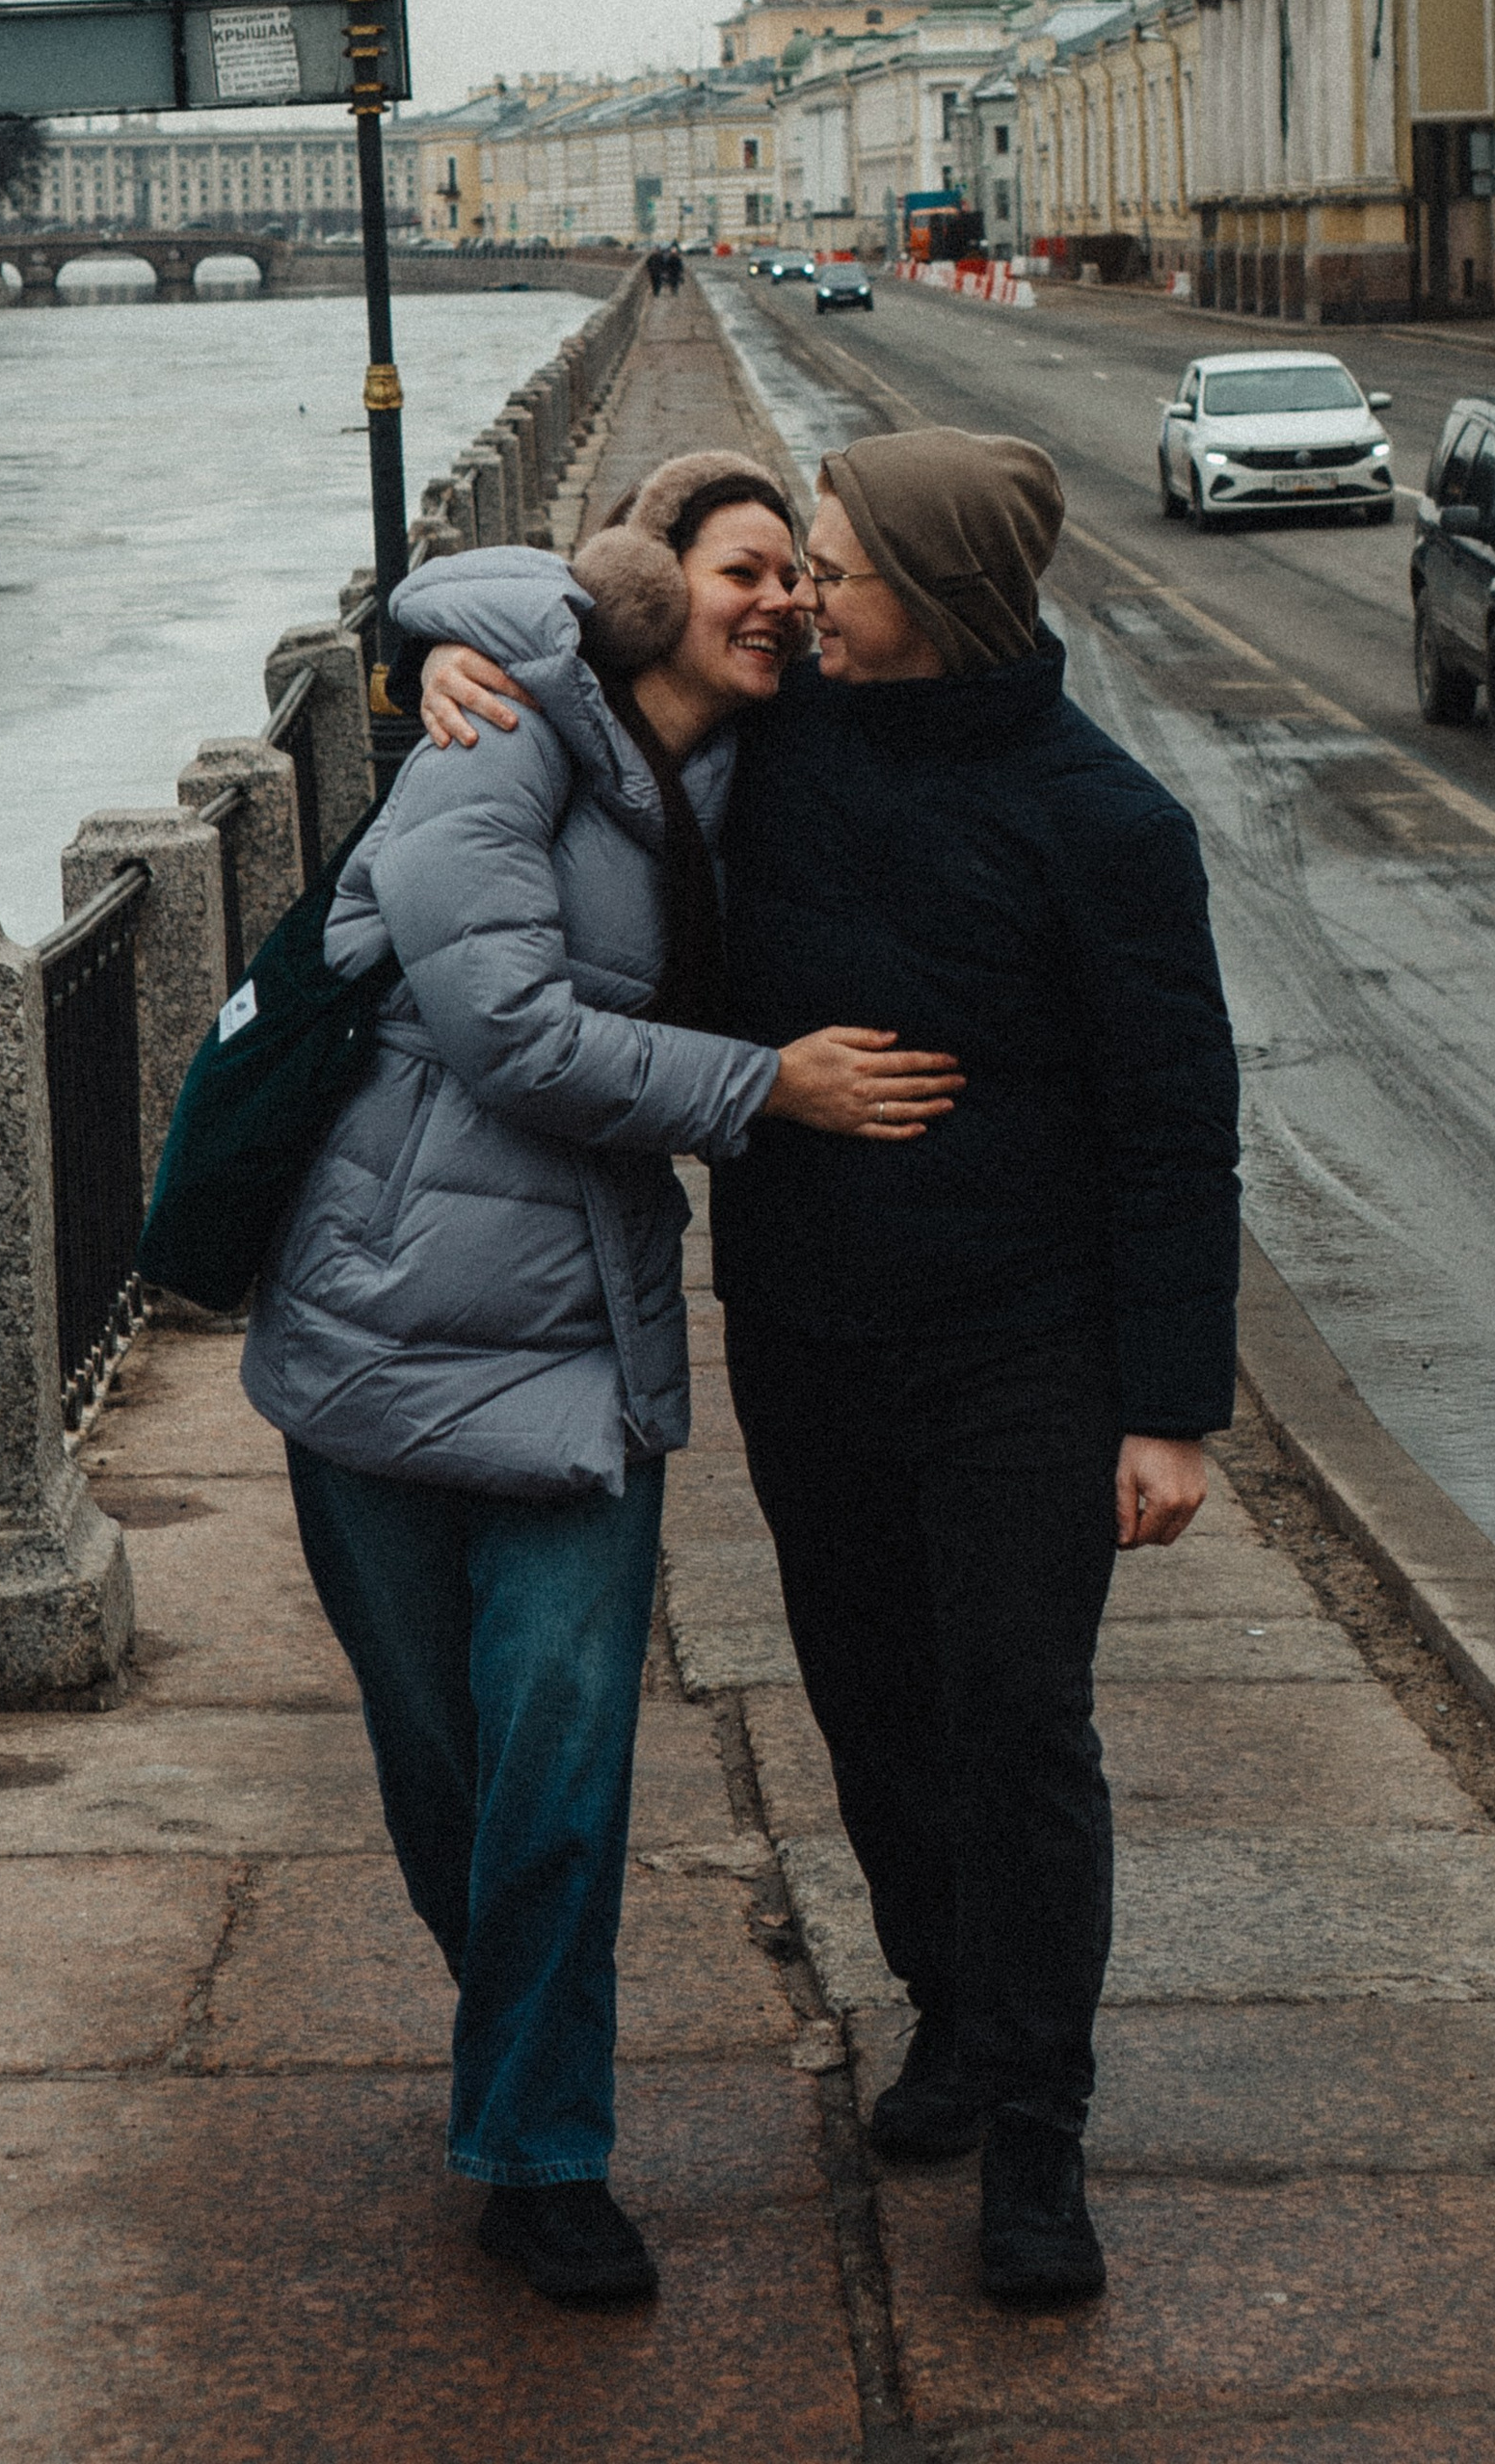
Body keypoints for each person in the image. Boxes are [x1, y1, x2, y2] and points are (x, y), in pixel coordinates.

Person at [418, 423, 1241, 2306]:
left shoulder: (1107, 823)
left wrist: (1169, 1411)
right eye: (794, 567)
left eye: (837, 570)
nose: (801, 599)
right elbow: (577, 668)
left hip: (1022, 1353)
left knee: (1017, 1724)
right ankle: (949, 2009)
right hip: (808, 1336)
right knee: (871, 1705)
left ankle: (1037, 2129)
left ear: (933, 595)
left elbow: (1173, 1127)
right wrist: (441, 659)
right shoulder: (779, 750)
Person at [242, 451, 960, 2309]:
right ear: (646, 587)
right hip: (378, 1332)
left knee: (558, 1778)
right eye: (745, 569)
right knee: (443, 1775)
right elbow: (505, 1032)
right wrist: (764, 1087)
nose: (781, 602)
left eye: (800, 577)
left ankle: (543, 2157)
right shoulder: (493, 745)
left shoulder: (761, 773)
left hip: (579, 1356)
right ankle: (520, 2050)